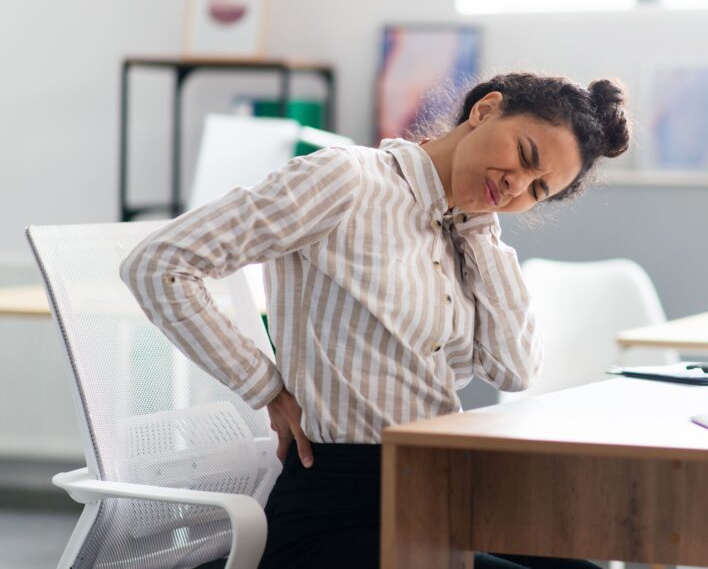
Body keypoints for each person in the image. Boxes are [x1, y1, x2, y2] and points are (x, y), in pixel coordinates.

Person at [120, 72, 631, 568]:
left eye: (537, 190)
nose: (516, 183)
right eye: (524, 155)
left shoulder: (466, 236)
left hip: (434, 493)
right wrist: (265, 387)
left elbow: (513, 370)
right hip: (337, 511)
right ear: (485, 110)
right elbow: (159, 263)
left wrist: (481, 233)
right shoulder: (346, 179)